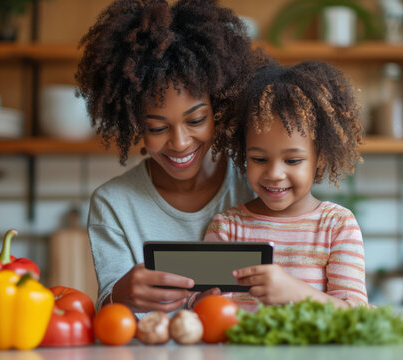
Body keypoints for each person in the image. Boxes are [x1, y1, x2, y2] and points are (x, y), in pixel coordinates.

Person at [75, 0, 265, 313]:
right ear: (135, 123)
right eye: (157, 127)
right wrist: (118, 295)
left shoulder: (256, 184)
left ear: (219, 108)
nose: (179, 143)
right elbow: (110, 316)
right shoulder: (115, 204)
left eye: (196, 120)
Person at [203, 61, 368, 311]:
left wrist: (295, 292)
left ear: (320, 157)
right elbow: (211, 312)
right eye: (259, 159)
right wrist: (201, 299)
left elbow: (357, 314)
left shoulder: (336, 225)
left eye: (292, 160)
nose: (274, 174)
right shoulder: (228, 228)